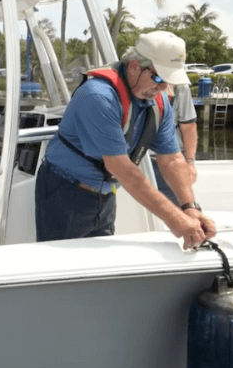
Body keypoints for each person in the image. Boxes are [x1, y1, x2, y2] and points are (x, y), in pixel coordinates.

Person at [34, 31, 216, 251]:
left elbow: (172, 160)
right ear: (134, 67)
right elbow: (123, 169)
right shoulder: (98, 96)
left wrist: (190, 208)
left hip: (106, 193)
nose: (162, 88)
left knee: (101, 268)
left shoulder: (158, 103)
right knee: (61, 270)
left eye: (168, 82)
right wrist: (175, 220)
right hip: (65, 192)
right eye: (158, 78)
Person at [152, 82, 198, 205]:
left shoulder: (180, 85)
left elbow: (188, 126)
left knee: (180, 207)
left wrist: (190, 163)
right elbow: (188, 126)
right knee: (181, 208)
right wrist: (189, 162)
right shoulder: (180, 85)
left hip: (166, 157)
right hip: (154, 158)